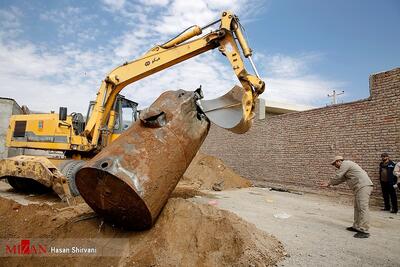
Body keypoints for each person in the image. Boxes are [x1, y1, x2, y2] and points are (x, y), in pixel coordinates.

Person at [319, 156, 373, 238]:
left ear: (338, 161)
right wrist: (329, 184)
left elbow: (338, 176)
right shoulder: (347, 168)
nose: (335, 166)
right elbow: (340, 179)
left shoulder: (345, 164)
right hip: (359, 187)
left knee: (362, 207)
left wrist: (329, 182)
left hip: (363, 186)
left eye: (334, 164)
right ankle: (356, 226)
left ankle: (364, 230)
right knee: (357, 207)